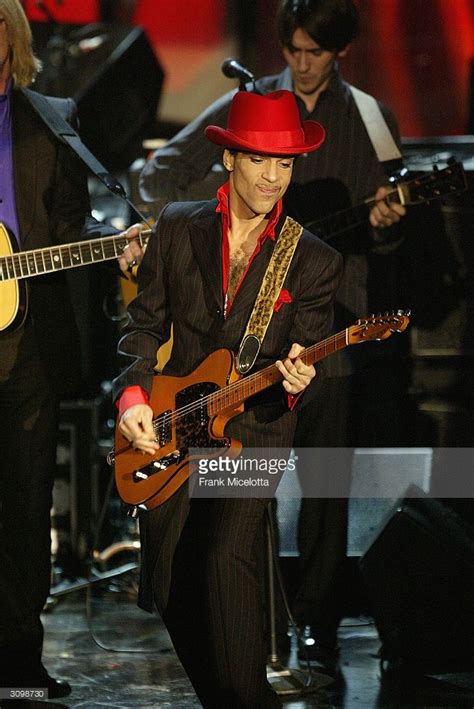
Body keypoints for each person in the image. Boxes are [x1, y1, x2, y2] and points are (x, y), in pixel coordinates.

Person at [139, 0, 407, 676]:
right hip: (224, 370)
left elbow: (398, 231)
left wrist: (388, 222)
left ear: (338, 51)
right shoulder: (254, 102)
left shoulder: (371, 119)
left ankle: (312, 622)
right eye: (292, 49)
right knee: (195, 546)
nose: (301, 61)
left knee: (316, 485)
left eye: (314, 50)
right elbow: (163, 172)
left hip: (324, 332)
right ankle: (249, 639)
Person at [113, 88, 343, 708]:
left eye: (286, 163)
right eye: (261, 160)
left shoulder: (313, 260)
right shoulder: (176, 227)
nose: (274, 177)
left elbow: (308, 350)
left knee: (223, 559)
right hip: (174, 422)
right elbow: (142, 325)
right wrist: (133, 393)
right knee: (172, 580)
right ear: (230, 159)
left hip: (256, 432)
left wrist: (298, 382)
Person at [0, 0, 142, 698]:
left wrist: (110, 250)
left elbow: (74, 224)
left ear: (10, 35)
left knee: (27, 504)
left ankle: (19, 651)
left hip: (30, 345)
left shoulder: (50, 118)